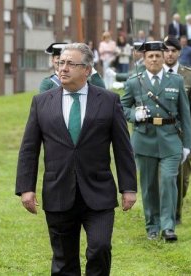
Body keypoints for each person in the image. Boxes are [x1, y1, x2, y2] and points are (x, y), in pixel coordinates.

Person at [16, 43, 137, 275]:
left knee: (100, 248)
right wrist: (25, 188)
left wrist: (128, 187)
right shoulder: (42, 102)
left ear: (87, 69)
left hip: (98, 193)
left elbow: (123, 148)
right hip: (58, 191)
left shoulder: (108, 101)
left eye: (71, 64)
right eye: (61, 63)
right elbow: (29, 149)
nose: (63, 68)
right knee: (63, 260)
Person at [121, 41, 191, 242]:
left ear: (163, 58)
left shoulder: (176, 80)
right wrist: (135, 113)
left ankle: (168, 227)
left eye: (157, 56)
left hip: (171, 139)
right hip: (145, 140)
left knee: (169, 180)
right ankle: (152, 226)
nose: (154, 59)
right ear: (144, 58)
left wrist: (187, 144)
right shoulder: (135, 81)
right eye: (150, 56)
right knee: (149, 185)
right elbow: (122, 108)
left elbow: (185, 114)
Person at [163, 36, 191, 225]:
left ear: (179, 52)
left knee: (183, 177)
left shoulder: (188, 75)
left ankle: (177, 208)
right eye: (167, 50)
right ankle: (170, 214)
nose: (170, 54)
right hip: (164, 132)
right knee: (166, 176)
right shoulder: (155, 73)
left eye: (173, 50)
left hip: (185, 132)